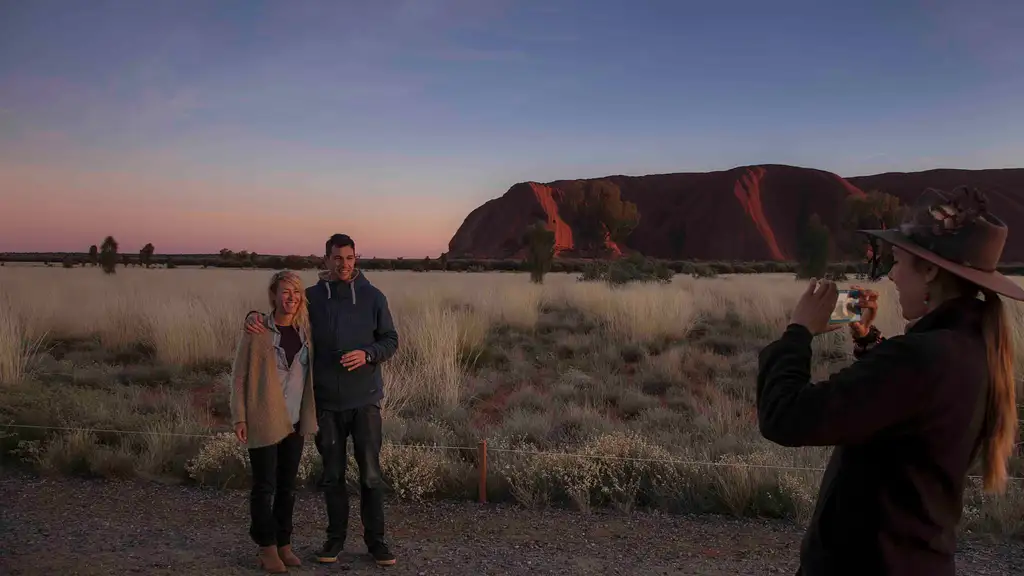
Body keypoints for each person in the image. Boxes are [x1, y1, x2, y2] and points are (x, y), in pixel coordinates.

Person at [756, 186, 1022, 576]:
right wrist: (868, 338)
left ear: (930, 271)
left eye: (898, 261)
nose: (892, 276)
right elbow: (907, 412)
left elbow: (785, 416)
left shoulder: (923, 357)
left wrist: (798, 332)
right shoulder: (971, 346)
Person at [244, 233, 399, 567]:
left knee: (371, 473)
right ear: (326, 259)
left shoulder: (373, 297)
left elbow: (390, 339)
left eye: (349, 258)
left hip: (365, 401)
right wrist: (253, 317)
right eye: (337, 258)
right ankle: (334, 540)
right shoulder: (312, 298)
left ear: (356, 259)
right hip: (325, 404)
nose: (344, 264)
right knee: (332, 475)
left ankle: (376, 542)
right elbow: (282, 315)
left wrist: (369, 354)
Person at [230, 271, 319, 574]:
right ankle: (266, 548)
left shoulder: (306, 331)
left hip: (294, 422)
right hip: (264, 418)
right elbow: (239, 376)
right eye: (284, 292)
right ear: (273, 296)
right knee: (264, 486)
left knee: (287, 487)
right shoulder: (258, 330)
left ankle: (284, 544)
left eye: (295, 292)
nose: (290, 298)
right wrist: (239, 416)